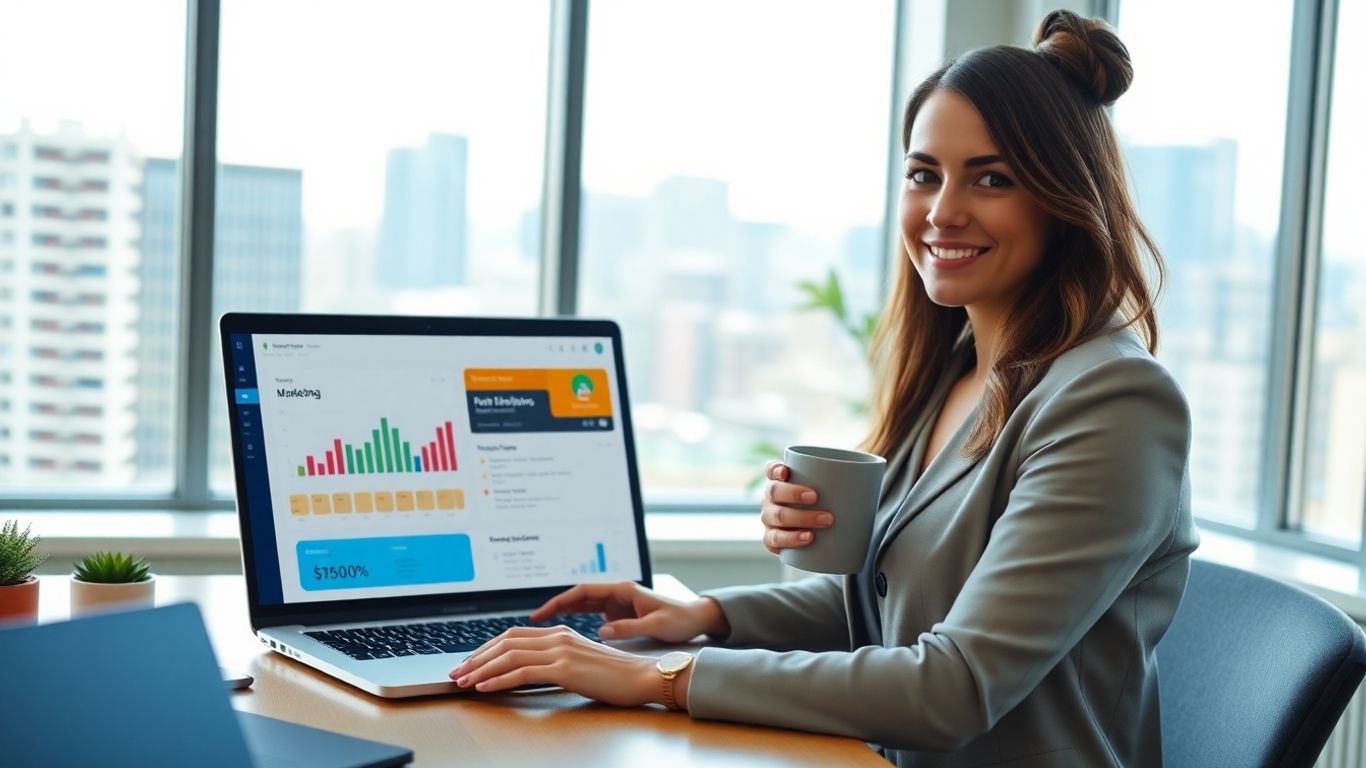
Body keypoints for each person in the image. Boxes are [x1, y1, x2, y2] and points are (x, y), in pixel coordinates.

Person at [447, 9, 1197, 766]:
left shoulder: (1114, 406)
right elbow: (888, 608)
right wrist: (702, 616)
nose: (942, 212)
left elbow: (953, 684)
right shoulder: (960, 370)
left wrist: (656, 676)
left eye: (991, 178)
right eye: (923, 174)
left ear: (1063, 198)